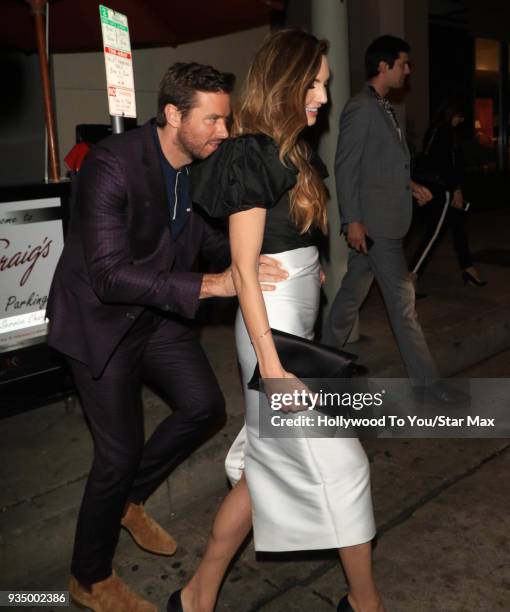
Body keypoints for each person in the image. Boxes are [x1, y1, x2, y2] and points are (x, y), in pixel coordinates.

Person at [46, 62, 287, 612]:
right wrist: (213, 284)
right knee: (118, 449)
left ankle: (128, 501)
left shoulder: (196, 163)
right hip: (100, 322)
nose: (223, 133)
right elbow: (108, 274)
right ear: (174, 114)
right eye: (213, 121)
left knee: (204, 406)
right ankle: (88, 578)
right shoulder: (113, 163)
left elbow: (200, 231)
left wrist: (250, 263)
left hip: (154, 314)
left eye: (227, 120)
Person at [167, 29, 382, 612]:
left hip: (292, 323)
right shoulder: (252, 152)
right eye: (312, 83)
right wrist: (271, 364)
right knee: (344, 467)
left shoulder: (292, 150)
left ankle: (196, 595)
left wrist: (306, 264)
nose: (321, 95)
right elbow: (241, 264)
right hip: (272, 336)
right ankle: (366, 604)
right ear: (284, 82)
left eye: (324, 85)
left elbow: (283, 236)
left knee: (266, 472)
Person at [323, 35, 442, 389]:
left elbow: (379, 164)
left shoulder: (386, 108)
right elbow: (346, 168)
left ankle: (323, 362)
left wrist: (409, 185)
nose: (408, 70)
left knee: (351, 295)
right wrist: (352, 220)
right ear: (383, 66)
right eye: (403, 63)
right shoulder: (361, 107)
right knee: (404, 304)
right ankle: (429, 387)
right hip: (376, 226)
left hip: (385, 218)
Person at [409, 102, 487, 288]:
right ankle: (410, 279)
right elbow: (448, 164)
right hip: (443, 189)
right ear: (452, 114)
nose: (461, 120)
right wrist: (456, 190)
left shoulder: (434, 130)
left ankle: (468, 268)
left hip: (437, 186)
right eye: (460, 116)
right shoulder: (446, 132)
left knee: (459, 227)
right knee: (434, 234)